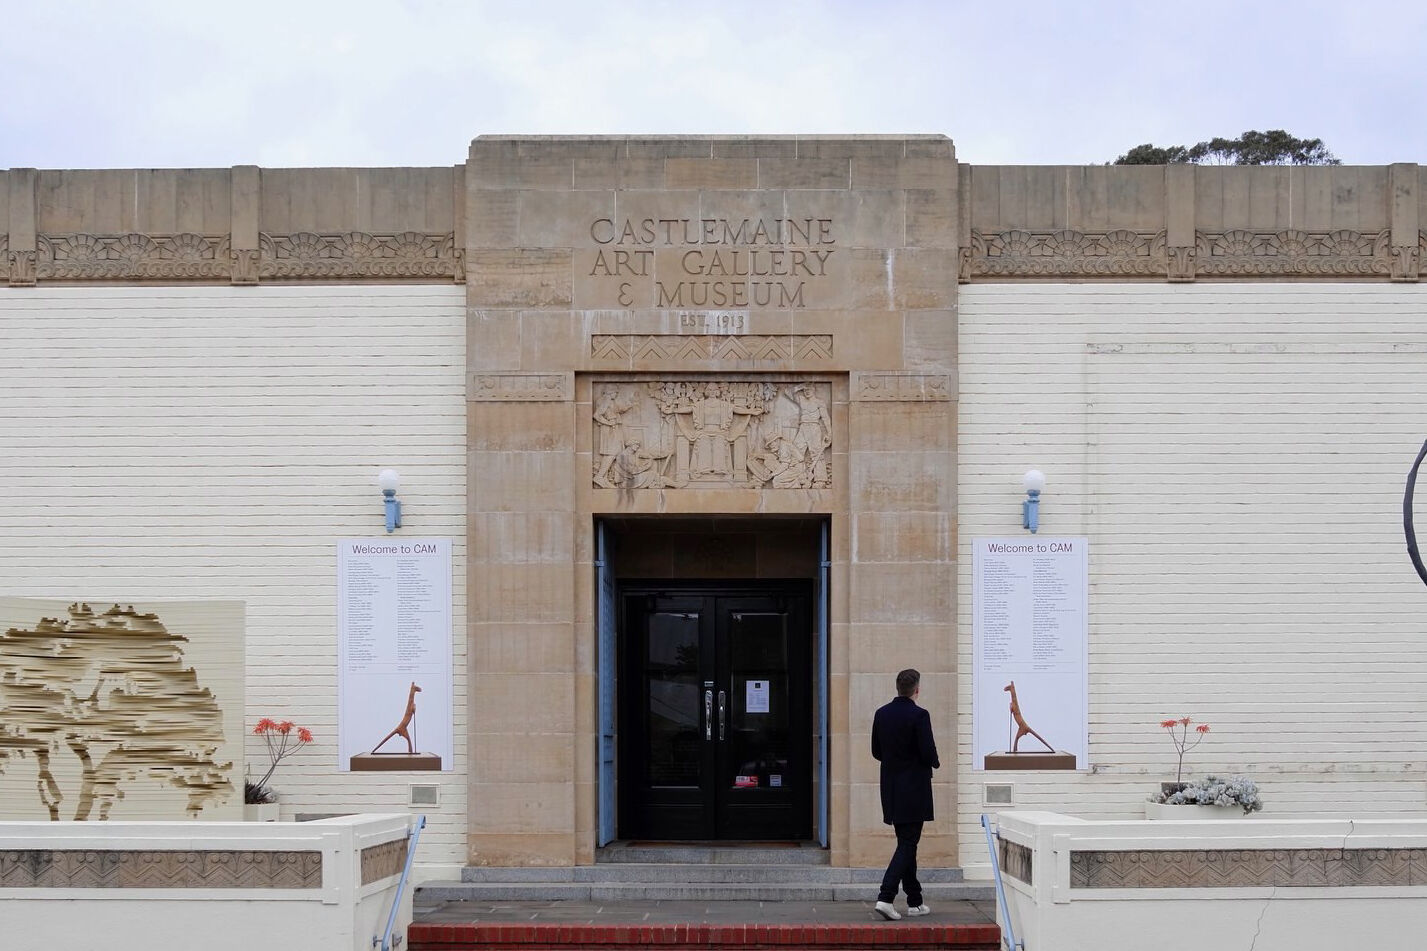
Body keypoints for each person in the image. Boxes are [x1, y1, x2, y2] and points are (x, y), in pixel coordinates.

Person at [870, 668, 939, 920]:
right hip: (914, 788)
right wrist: (934, 761)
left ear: (897, 688)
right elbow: (927, 750)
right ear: (916, 690)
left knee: (906, 843)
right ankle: (886, 897)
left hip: (891, 788)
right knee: (908, 843)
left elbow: (876, 751)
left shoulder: (881, 714)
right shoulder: (920, 715)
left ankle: (915, 901)